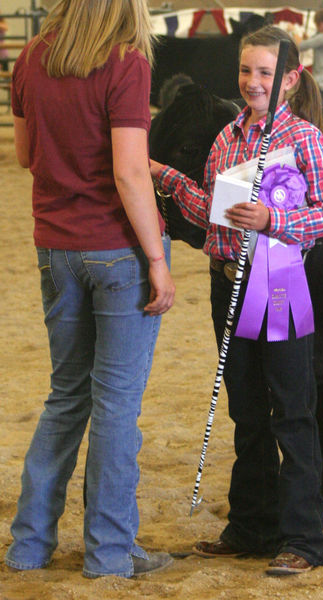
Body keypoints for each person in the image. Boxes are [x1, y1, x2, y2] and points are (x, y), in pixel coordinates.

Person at [150, 25, 323, 576]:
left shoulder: (305, 139)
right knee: (245, 409)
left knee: (291, 409)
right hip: (226, 284)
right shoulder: (226, 138)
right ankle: (252, 525)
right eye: (245, 71)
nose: (252, 82)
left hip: (278, 283)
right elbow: (212, 214)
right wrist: (166, 178)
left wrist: (273, 220)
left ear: (289, 78)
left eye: (264, 73)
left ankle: (304, 538)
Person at [5, 0, 175, 579]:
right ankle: (108, 553)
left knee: (66, 397)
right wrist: (157, 258)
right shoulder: (125, 61)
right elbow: (129, 172)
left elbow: (26, 155)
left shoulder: (28, 58)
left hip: (54, 246)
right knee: (116, 407)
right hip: (115, 250)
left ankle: (29, 544)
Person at [296, 8, 323, 106]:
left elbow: (301, 46)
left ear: (321, 24)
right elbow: (313, 41)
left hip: (321, 82)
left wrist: (294, 31)